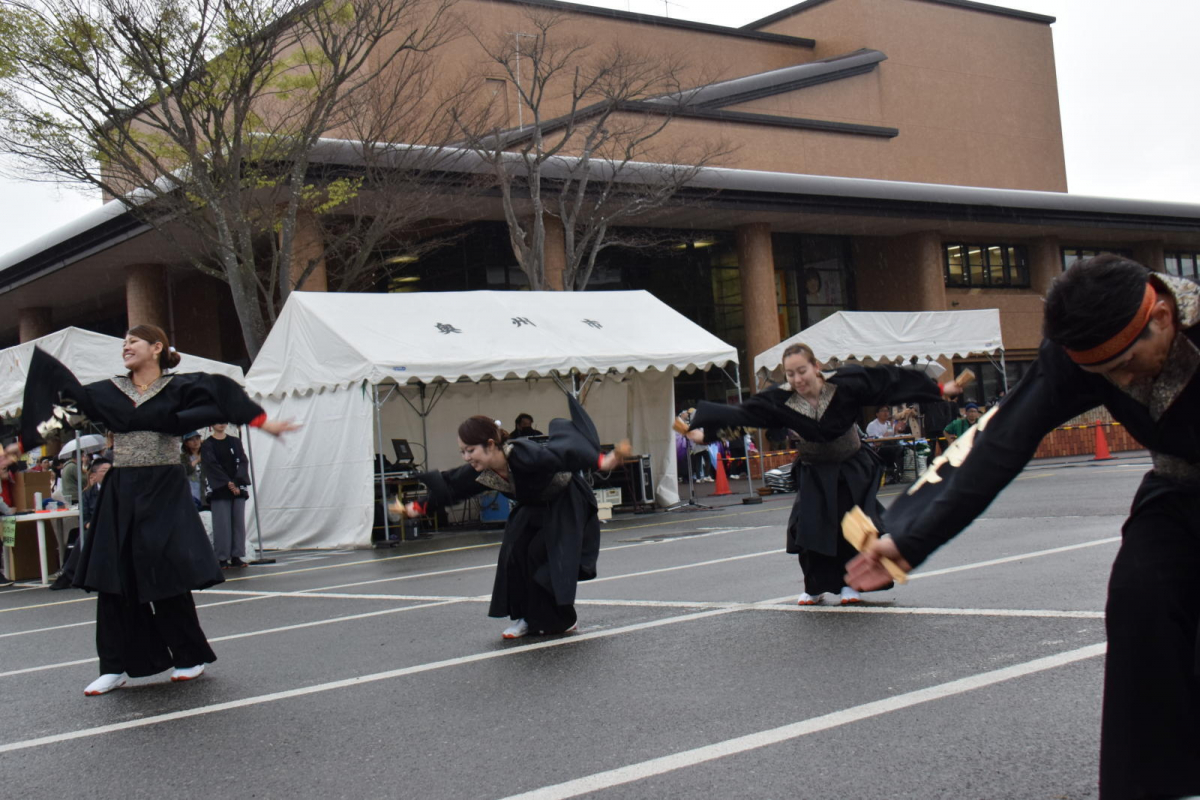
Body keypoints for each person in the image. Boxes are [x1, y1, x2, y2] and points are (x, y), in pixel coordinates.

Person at [846, 254, 1200, 799]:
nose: (1123, 381)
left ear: (1163, 315)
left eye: (1129, 362)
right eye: (1106, 376)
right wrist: (908, 537)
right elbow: (1003, 438)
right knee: (1139, 596)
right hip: (1179, 484)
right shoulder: (1078, 355)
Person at [18, 324, 297, 696]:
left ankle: (188, 656)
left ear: (156, 347)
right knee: (115, 577)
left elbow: (221, 391)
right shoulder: (109, 391)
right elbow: (63, 399)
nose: (126, 346)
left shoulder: (179, 388)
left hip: (164, 489)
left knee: (164, 572)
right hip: (122, 490)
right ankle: (114, 666)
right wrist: (19, 443)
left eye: (133, 340)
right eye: (124, 342)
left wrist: (263, 421)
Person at [688, 343, 961, 605]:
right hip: (814, 469)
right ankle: (814, 586)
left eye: (802, 370)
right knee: (808, 527)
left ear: (816, 366)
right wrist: (707, 433)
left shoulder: (845, 383)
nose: (797, 378)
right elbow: (746, 415)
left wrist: (937, 389)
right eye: (791, 373)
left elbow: (888, 380)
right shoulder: (782, 398)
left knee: (851, 526)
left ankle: (850, 583)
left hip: (850, 466)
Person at [405, 396, 626, 639]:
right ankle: (527, 618)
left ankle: (564, 619)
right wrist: (420, 506)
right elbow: (453, 486)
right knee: (515, 553)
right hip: (534, 504)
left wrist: (601, 460)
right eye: (463, 451)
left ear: (490, 445)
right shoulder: (481, 470)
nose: (467, 457)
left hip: (565, 499)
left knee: (544, 557)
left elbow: (562, 455)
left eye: (471, 450)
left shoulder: (522, 453)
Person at [50, 457, 111, 591]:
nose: (109, 473)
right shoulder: (87, 494)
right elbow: (84, 518)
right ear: (93, 475)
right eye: (105, 471)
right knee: (83, 535)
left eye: (111, 470)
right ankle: (69, 574)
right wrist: (89, 524)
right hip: (96, 527)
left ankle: (68, 573)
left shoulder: (117, 491)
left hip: (113, 527)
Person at [201, 424, 251, 568]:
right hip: (219, 488)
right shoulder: (208, 444)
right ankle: (222, 557)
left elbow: (243, 461)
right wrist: (227, 483)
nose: (221, 423)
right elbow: (211, 466)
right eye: (217, 421)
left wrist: (235, 482)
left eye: (223, 420)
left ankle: (237, 555)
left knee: (238, 523)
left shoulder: (235, 441)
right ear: (211, 425)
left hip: (237, 485)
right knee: (221, 524)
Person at [865, 406, 904, 484]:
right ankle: (890, 471)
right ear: (877, 414)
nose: (886, 413)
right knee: (890, 447)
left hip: (890, 447)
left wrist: (896, 430)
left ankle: (896, 472)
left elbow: (892, 436)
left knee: (901, 447)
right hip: (877, 449)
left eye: (887, 411)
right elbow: (877, 442)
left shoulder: (888, 423)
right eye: (883, 411)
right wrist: (890, 429)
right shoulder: (872, 425)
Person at [180, 431, 204, 509]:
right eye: (191, 439)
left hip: (205, 494)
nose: (195, 442)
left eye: (197, 438)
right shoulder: (183, 457)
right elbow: (185, 471)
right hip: (191, 495)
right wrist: (197, 460)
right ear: (186, 443)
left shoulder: (208, 454)